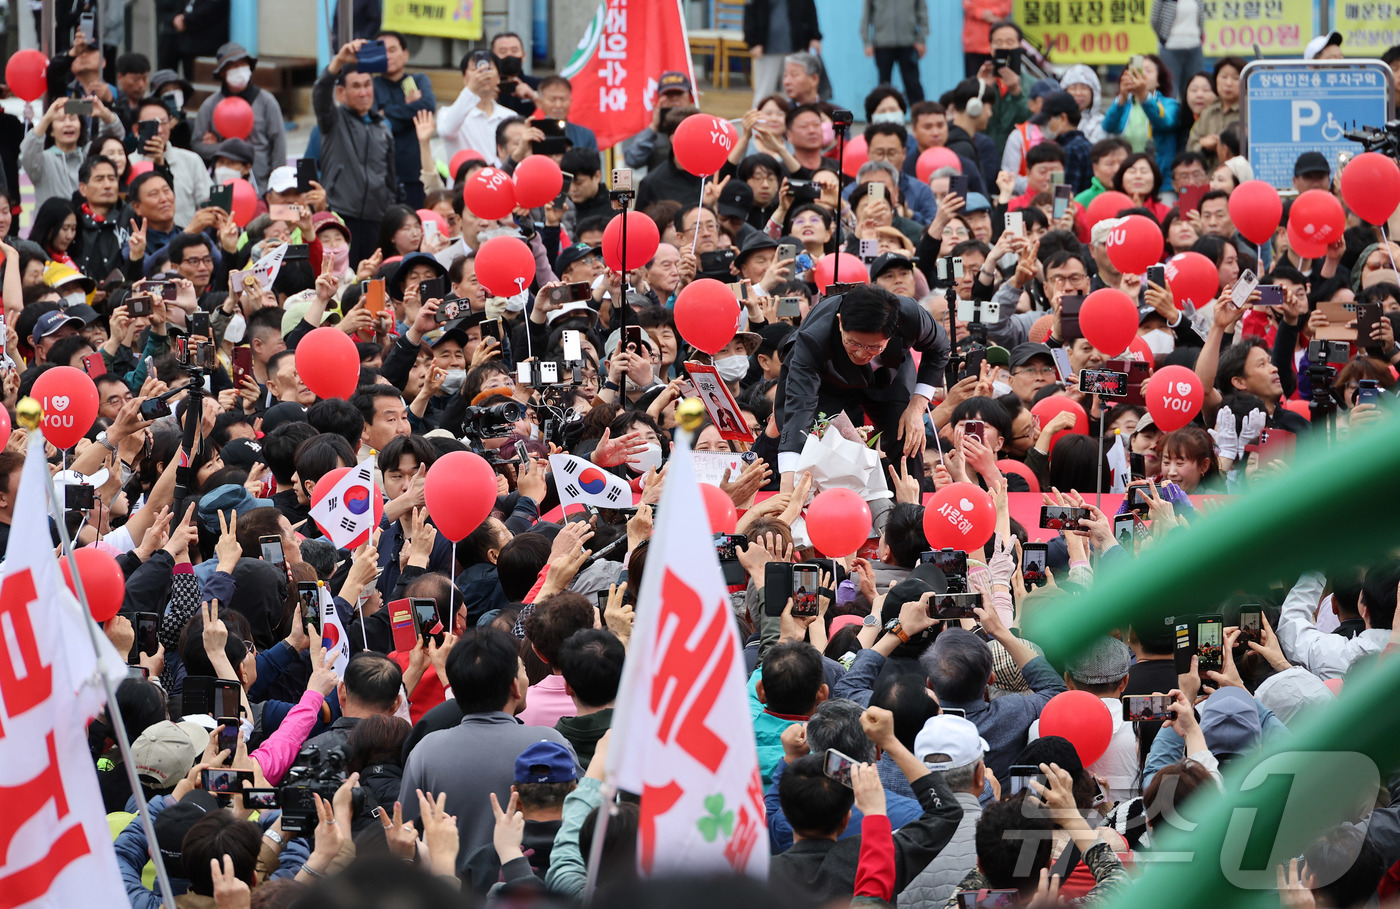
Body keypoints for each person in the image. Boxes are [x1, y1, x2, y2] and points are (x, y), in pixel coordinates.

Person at [399, 628, 577, 860]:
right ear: (514, 686)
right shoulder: (550, 744)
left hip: (451, 890)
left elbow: (404, 834)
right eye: (522, 670)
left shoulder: (425, 751)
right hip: (531, 886)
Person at [773, 284, 950, 490]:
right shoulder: (814, 336)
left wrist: (918, 406)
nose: (860, 354)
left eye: (873, 347)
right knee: (820, 447)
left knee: (906, 437)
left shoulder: (910, 315)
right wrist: (789, 472)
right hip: (825, 385)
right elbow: (799, 407)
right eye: (853, 343)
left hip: (887, 377)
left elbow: (940, 349)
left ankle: (908, 512)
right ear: (840, 323)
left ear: (893, 332)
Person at [315, 40, 401, 269]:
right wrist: (339, 60)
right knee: (342, 278)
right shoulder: (333, 120)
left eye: (367, 85)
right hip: (342, 216)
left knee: (373, 279)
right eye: (356, 86)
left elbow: (390, 177)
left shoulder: (382, 125)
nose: (363, 92)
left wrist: (390, 208)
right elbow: (321, 92)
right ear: (342, 92)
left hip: (376, 218)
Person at [191, 43, 286, 189]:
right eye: (232, 66)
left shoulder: (267, 102)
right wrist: (221, 147)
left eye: (242, 64)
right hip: (222, 184)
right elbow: (197, 145)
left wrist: (277, 184)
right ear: (222, 72)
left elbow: (278, 144)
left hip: (261, 184)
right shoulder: (210, 106)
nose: (239, 70)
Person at [372, 31, 438, 209]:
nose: (387, 55)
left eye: (392, 49)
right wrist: (409, 110)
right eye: (381, 51)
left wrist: (386, 113)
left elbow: (427, 106)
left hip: (415, 173)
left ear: (405, 54)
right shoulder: (371, 85)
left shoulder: (418, 79)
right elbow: (375, 124)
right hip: (382, 176)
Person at [439, 51, 515, 166]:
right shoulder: (447, 113)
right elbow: (447, 130)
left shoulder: (510, 117)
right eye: (475, 69)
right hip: (464, 183)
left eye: (488, 69)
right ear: (464, 78)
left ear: (498, 77)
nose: (482, 74)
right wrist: (471, 89)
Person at [744, 0, 823, 106]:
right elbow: (749, 13)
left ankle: (794, 119)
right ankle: (759, 120)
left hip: (796, 48)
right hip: (767, 50)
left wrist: (815, 36)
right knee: (764, 91)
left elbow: (810, 9)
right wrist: (753, 42)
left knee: (794, 91)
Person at [861, 0, 928, 103]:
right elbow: (866, 14)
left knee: (913, 83)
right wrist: (867, 42)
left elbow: (922, 11)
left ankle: (919, 114)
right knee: (884, 85)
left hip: (908, 43)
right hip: (882, 44)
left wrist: (921, 39)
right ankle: (883, 115)